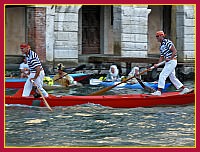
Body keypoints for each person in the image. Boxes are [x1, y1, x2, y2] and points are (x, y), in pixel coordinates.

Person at [151, 31, 190, 96]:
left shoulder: (167, 42)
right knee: (172, 77)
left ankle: (159, 91)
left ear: (161, 36)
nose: (157, 38)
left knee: (162, 75)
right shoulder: (161, 46)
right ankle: (184, 89)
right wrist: (157, 65)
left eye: (158, 36)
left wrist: (170, 58)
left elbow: (174, 51)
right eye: (156, 36)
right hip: (168, 62)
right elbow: (161, 57)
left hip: (172, 61)